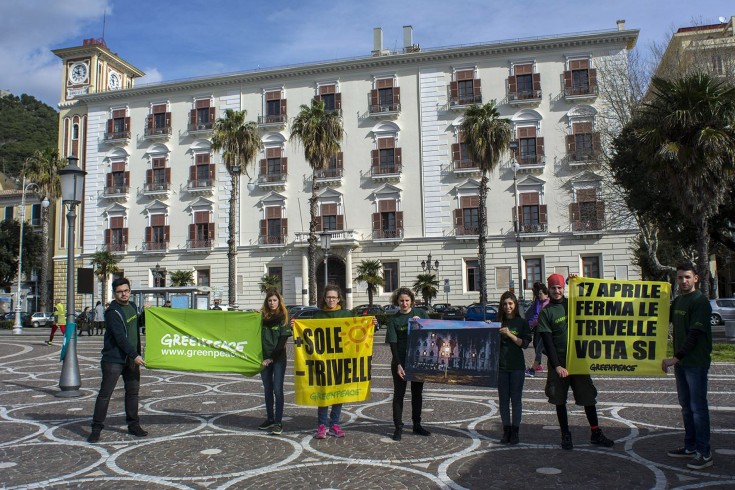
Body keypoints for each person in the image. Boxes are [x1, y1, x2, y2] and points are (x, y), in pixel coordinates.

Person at [537, 273, 614, 450]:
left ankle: (596, 432)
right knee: (559, 400)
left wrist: (579, 280)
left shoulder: (573, 304)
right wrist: (557, 366)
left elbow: (595, 295)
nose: (557, 291)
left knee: (588, 397)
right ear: (548, 290)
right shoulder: (546, 312)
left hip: (579, 360)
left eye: (559, 288)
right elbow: (548, 342)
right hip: (559, 362)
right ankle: (565, 434)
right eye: (553, 288)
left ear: (564, 288)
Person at [662, 262, 713, 470]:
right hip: (682, 364)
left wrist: (675, 358)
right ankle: (690, 446)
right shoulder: (679, 300)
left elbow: (695, 335)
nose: (683, 281)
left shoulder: (700, 301)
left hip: (695, 363)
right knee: (686, 407)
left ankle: (704, 452)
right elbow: (658, 316)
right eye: (680, 277)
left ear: (696, 278)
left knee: (698, 409)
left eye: (687, 277)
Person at [87, 277, 147, 443]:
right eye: (120, 292)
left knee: (133, 393)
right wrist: (134, 355)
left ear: (129, 291)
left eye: (126, 291)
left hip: (131, 360)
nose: (124, 294)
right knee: (105, 394)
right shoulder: (112, 312)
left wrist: (147, 314)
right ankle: (96, 428)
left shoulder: (133, 307)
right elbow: (120, 337)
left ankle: (133, 425)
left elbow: (138, 324)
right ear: (114, 293)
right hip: (114, 360)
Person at [385, 287, 431, 441]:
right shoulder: (394, 319)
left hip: (418, 360)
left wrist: (422, 324)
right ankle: (398, 427)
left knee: (417, 393)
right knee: (399, 394)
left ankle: (417, 424)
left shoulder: (421, 314)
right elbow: (393, 343)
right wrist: (398, 364)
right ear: (397, 302)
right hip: (401, 361)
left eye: (407, 300)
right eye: (401, 301)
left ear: (412, 301)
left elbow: (433, 332)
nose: (404, 303)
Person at [497, 290, 532, 444]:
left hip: (517, 367)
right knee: (503, 400)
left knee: (516, 400)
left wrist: (510, 335)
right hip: (501, 367)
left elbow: (524, 344)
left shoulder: (522, 323)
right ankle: (506, 431)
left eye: (510, 303)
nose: (507, 306)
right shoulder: (498, 321)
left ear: (515, 305)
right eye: (505, 304)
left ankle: (515, 431)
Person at [258, 289, 291, 436]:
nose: (272, 303)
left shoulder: (284, 317)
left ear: (279, 302)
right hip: (263, 359)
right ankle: (270, 418)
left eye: (275, 300)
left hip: (277, 359)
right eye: (270, 300)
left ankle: (278, 422)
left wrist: (271, 358)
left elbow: (282, 340)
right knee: (267, 389)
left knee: (277, 390)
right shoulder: (261, 317)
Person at [525, 282, 550, 377]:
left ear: (546, 293)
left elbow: (538, 317)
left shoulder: (548, 303)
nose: (539, 295)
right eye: (538, 294)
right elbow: (534, 314)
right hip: (539, 328)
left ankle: (533, 369)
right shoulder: (538, 301)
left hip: (546, 329)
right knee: (538, 346)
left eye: (540, 294)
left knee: (540, 348)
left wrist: (530, 323)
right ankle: (537, 366)